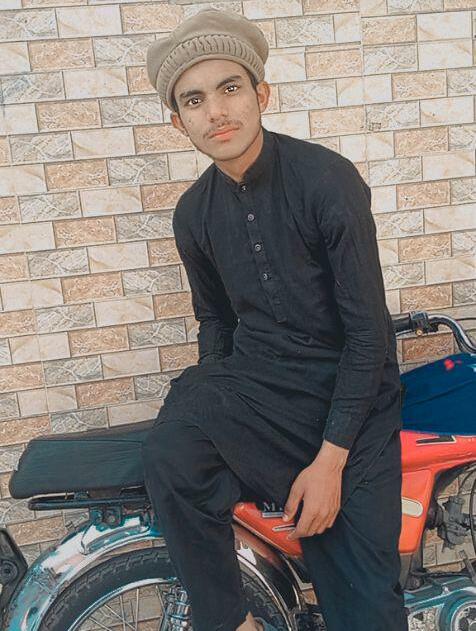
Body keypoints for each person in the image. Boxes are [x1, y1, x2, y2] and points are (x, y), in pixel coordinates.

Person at [142, 8, 408, 631]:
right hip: (265, 390)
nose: (216, 111)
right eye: (194, 100)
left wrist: (329, 463)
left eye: (230, 88)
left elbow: (368, 335)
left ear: (261, 95)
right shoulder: (193, 214)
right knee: (171, 448)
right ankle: (231, 620)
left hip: (353, 397)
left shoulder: (326, 180)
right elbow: (216, 324)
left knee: (363, 608)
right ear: (179, 121)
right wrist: (220, 407)